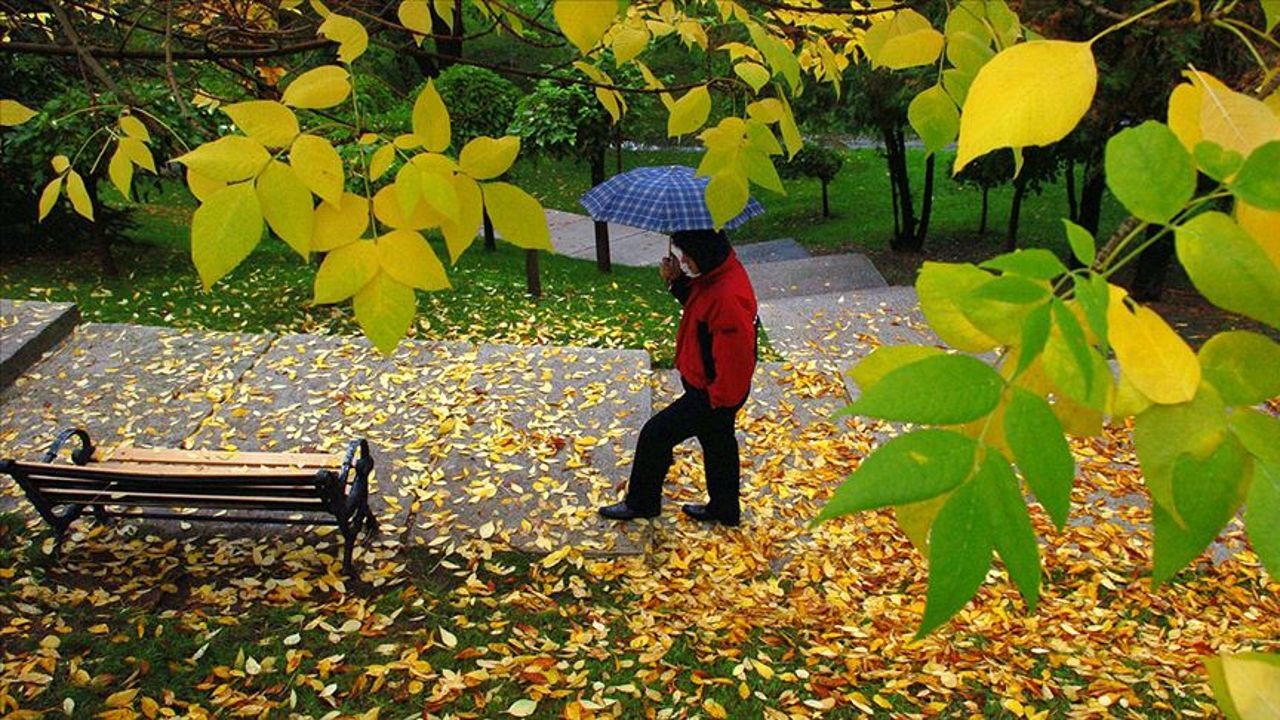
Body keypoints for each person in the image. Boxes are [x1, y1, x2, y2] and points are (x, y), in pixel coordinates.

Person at [598, 229, 758, 526]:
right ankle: (725, 509)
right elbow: (701, 308)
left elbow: (736, 357)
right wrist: (676, 281)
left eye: (687, 254)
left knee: (655, 436)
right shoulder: (717, 275)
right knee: (718, 444)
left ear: (704, 252)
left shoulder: (726, 295)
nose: (683, 259)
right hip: (713, 390)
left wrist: (717, 401)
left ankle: (642, 502)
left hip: (713, 394)